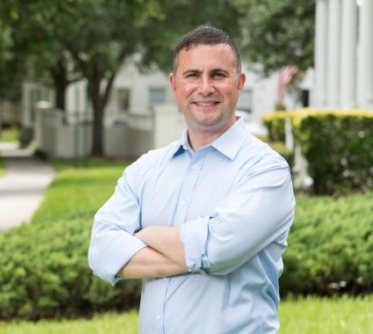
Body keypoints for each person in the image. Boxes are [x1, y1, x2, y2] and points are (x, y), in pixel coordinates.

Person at [88, 25, 295, 334]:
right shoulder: (146, 169)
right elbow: (102, 251)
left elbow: (217, 250)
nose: (205, 87)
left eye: (218, 75)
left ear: (239, 84)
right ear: (175, 84)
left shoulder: (266, 170)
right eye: (193, 75)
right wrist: (198, 256)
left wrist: (146, 233)